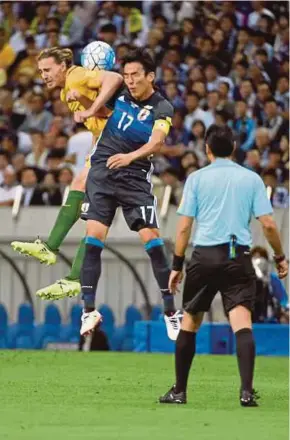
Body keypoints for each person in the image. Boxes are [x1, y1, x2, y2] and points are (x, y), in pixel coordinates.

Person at [159, 125, 288, 406]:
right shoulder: (251, 179)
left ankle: (179, 391)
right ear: (233, 148)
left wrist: (177, 265)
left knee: (190, 322)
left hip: (204, 256)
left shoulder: (196, 179)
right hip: (237, 256)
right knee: (242, 323)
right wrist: (279, 257)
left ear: (206, 148)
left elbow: (183, 228)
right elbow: (267, 224)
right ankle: (245, 391)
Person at [76, 48, 180, 340]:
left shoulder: (162, 108)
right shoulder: (118, 93)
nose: (130, 80)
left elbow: (157, 142)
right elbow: (103, 110)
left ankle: (171, 312)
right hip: (103, 173)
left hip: (134, 178)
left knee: (152, 241)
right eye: (127, 75)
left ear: (151, 76)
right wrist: (83, 103)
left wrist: (130, 157)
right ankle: (88, 309)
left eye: (136, 75)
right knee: (93, 238)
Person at [11, 46, 123, 296]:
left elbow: (115, 78)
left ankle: (66, 267)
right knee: (83, 192)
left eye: (48, 69)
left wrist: (90, 109)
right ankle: (58, 257)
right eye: (41, 71)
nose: (44, 75)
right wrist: (90, 114)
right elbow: (104, 117)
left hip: (118, 145)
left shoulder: (77, 75)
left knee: (95, 214)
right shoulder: (66, 92)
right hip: (106, 143)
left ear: (62, 66)